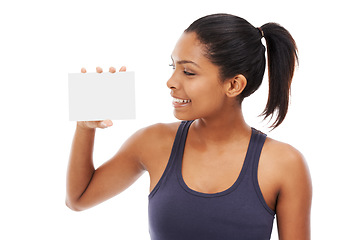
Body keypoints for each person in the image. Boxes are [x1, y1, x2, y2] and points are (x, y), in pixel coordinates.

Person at [66, 13, 312, 240]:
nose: (171, 82)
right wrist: (85, 126)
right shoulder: (153, 142)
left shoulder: (284, 164)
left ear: (234, 85)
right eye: (173, 67)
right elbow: (78, 199)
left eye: (189, 72)